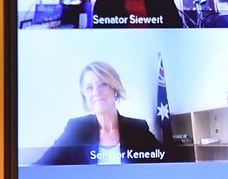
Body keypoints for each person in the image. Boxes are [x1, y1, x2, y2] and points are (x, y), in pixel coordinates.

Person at [37, 62, 165, 165]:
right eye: (89, 87)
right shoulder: (76, 128)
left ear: (115, 88)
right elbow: (42, 167)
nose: (96, 92)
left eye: (103, 84)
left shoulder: (138, 128)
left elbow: (167, 162)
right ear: (85, 95)